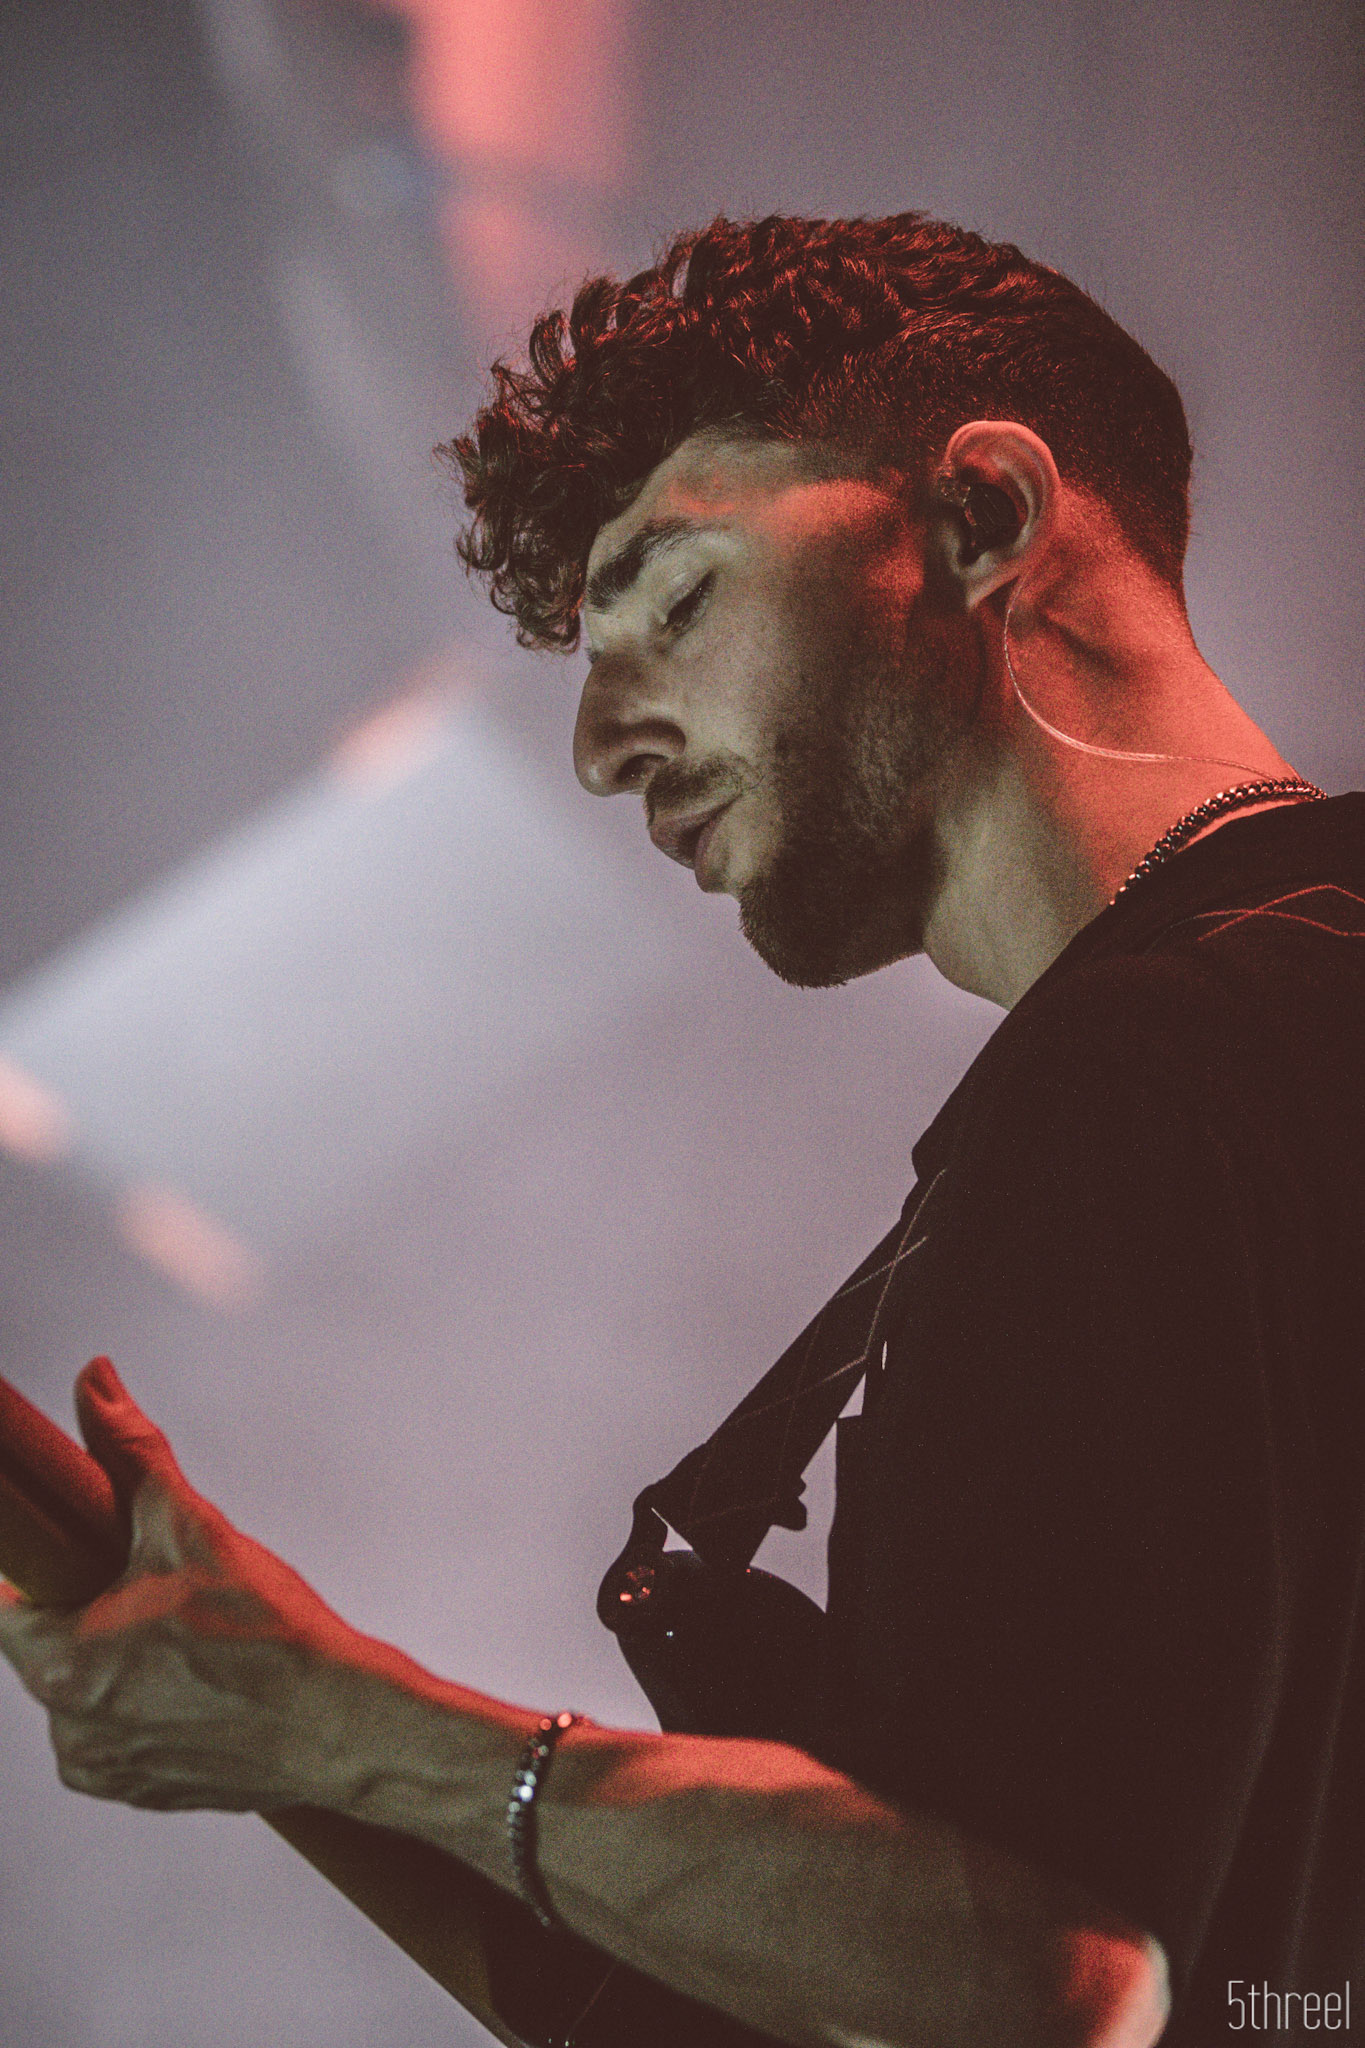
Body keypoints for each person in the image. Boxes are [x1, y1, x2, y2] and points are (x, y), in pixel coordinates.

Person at [1, 211, 1361, 2048]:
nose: (598, 746)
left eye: (677, 598)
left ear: (981, 516)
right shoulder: (1262, 1039)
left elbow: (1040, 1980)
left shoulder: (1144, 1080)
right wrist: (285, 1725)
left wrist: (351, 1727)